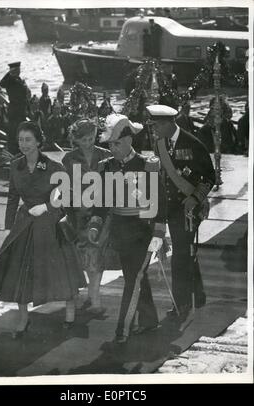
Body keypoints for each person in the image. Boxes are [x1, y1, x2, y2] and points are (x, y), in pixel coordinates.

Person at [0, 121, 86, 337]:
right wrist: (9, 226)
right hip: (24, 225)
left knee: (61, 274)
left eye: (28, 139)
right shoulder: (16, 166)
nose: (23, 144)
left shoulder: (54, 167)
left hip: (50, 226)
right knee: (20, 274)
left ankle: (70, 314)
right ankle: (23, 319)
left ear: (39, 141)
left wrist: (47, 207)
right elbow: (12, 197)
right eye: (20, 140)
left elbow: (67, 198)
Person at [88, 113, 167, 343]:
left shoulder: (147, 166)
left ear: (129, 141)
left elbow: (159, 202)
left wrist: (159, 234)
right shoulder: (106, 167)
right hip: (119, 233)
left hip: (143, 232)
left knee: (133, 280)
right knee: (135, 276)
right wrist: (95, 225)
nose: (112, 148)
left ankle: (122, 330)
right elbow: (100, 204)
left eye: (117, 143)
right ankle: (150, 321)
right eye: (110, 144)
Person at [146, 104, 215, 321]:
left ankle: (181, 303)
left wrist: (195, 199)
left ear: (168, 123)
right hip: (168, 207)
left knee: (181, 255)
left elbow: (208, 177)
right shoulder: (160, 144)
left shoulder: (193, 144)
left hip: (188, 209)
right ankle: (198, 293)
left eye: (156, 126)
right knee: (185, 253)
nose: (153, 130)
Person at [62, 119, 111, 314]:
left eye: (92, 138)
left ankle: (95, 295)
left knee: (98, 252)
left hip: (101, 211)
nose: (89, 142)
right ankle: (92, 294)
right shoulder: (68, 159)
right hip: (78, 213)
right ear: (77, 140)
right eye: (84, 139)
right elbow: (65, 188)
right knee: (85, 254)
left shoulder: (106, 155)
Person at [0, 62, 29, 155]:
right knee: (15, 132)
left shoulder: (16, 79)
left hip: (19, 110)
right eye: (17, 69)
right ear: (15, 70)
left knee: (20, 131)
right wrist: (10, 73)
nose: (19, 71)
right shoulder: (12, 81)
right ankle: (15, 152)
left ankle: (19, 151)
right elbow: (1, 84)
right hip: (16, 111)